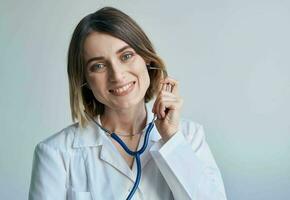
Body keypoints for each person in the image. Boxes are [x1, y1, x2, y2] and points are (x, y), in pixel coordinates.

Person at [29, 6, 227, 200]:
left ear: (147, 59)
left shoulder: (189, 137)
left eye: (126, 56)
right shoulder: (56, 153)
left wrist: (171, 139)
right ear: (84, 81)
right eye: (98, 66)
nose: (117, 75)